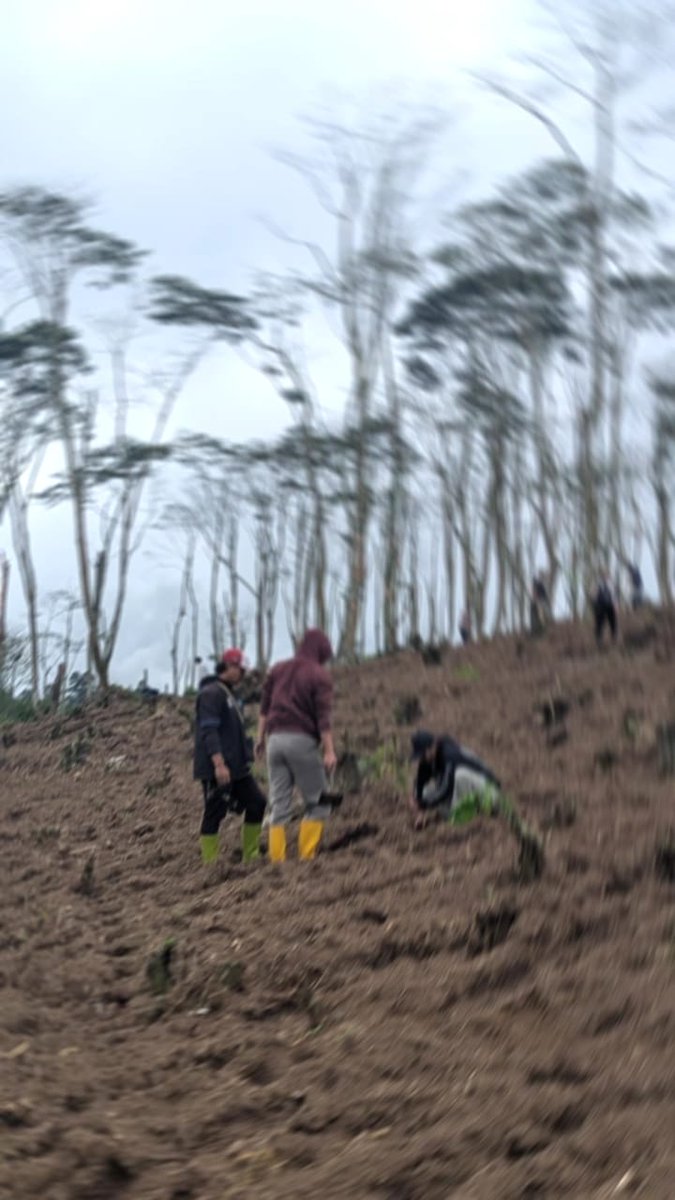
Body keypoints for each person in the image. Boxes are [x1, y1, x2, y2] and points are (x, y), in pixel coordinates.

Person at [256, 628, 337, 862]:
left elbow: (264, 708)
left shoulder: (278, 669)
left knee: (279, 805)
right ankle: (307, 857)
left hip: (274, 742)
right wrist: (329, 751)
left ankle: (277, 860)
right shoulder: (319, 676)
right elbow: (323, 718)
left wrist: (260, 739)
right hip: (301, 742)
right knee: (320, 804)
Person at [193, 648, 266, 865]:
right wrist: (218, 763)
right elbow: (209, 730)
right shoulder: (211, 693)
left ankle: (251, 854)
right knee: (214, 812)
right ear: (229, 666)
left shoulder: (229, 694)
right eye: (240, 670)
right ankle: (210, 863)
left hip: (237, 767)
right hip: (220, 767)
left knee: (257, 803)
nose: (243, 674)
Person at [409, 729, 501, 830]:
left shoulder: (449, 754)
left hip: (487, 789)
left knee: (459, 775)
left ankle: (483, 809)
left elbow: (446, 788)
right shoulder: (430, 757)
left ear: (431, 747)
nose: (422, 758)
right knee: (424, 791)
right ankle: (458, 813)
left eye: (422, 754)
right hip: (466, 791)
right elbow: (420, 782)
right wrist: (417, 800)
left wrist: (423, 804)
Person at [593, 572, 618, 646]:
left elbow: (614, 597)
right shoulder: (598, 585)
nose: (605, 578)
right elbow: (593, 595)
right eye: (603, 576)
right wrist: (595, 604)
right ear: (601, 577)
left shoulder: (611, 585)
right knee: (599, 624)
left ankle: (614, 638)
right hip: (600, 606)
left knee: (613, 623)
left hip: (610, 606)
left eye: (606, 576)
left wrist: (616, 606)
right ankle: (599, 640)